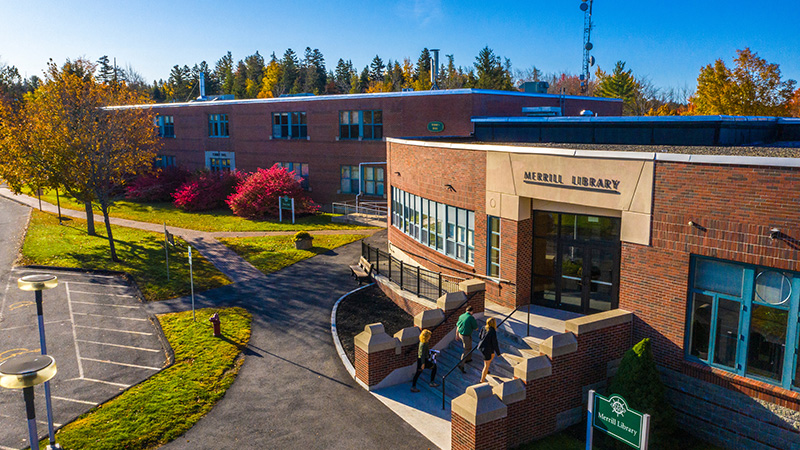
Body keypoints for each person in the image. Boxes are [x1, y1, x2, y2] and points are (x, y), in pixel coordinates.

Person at [478, 317, 501, 383]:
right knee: (486, 365)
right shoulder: (492, 331)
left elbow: (480, 336)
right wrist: (498, 353)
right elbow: (495, 343)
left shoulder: (483, 327)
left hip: (483, 347)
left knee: (491, 356)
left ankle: (486, 370)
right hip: (487, 348)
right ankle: (482, 380)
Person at [456, 306, 478, 373]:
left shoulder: (461, 316)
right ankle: (461, 364)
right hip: (466, 336)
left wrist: (456, 335)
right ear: (471, 311)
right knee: (466, 349)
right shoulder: (471, 318)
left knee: (469, 347)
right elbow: (476, 328)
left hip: (461, 334)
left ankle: (468, 359)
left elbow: (458, 326)